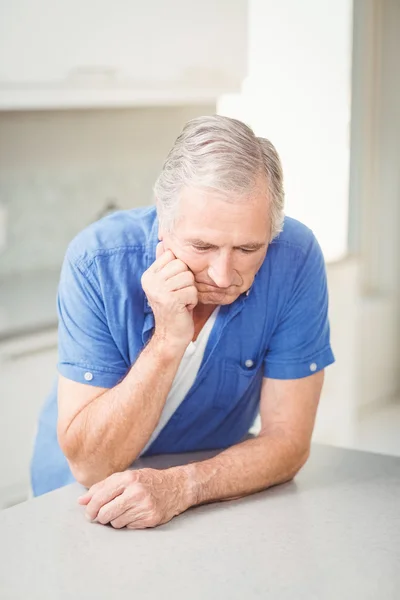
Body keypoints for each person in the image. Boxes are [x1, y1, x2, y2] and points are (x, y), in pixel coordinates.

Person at [31, 115, 334, 529]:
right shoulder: (96, 262)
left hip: (205, 498)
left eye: (248, 247)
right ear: (164, 219)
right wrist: (168, 341)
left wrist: (182, 487)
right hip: (74, 503)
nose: (224, 275)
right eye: (202, 245)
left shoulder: (295, 259)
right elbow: (91, 466)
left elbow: (289, 441)